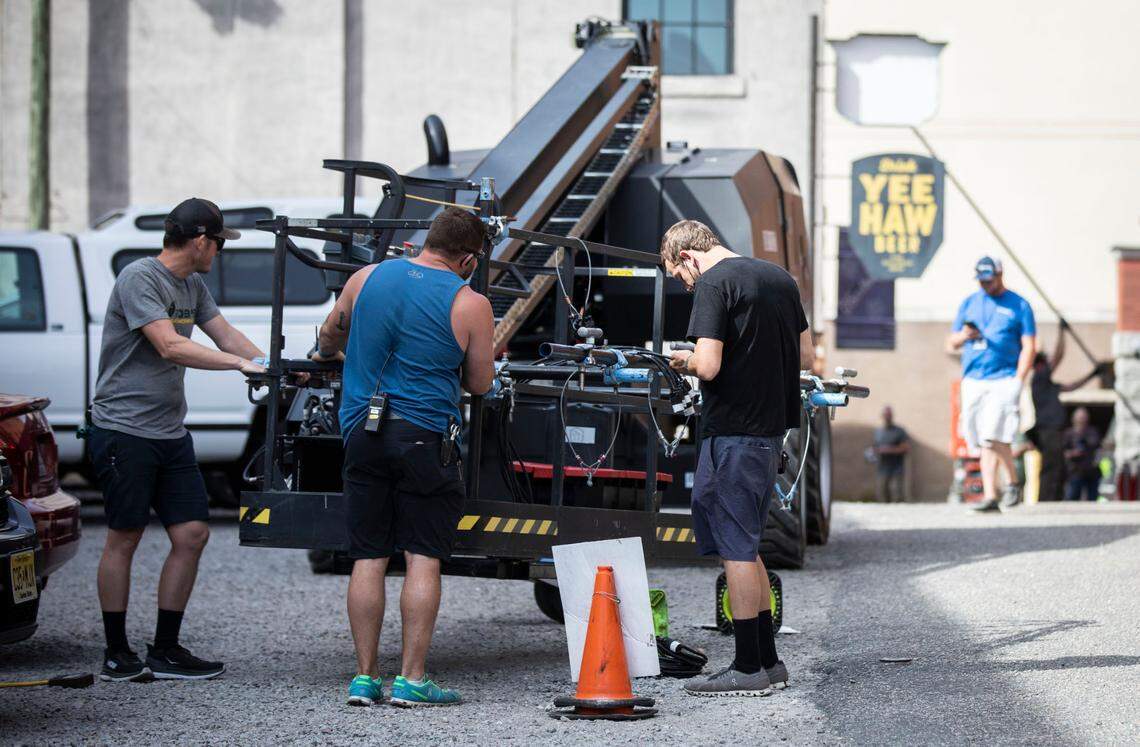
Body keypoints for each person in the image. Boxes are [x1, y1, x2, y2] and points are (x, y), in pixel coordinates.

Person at [311, 207, 494, 707]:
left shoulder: (366, 277)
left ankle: (365, 678)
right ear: (469, 259)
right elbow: (480, 383)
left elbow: (329, 336)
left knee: (368, 555)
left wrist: (340, 351)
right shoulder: (469, 301)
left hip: (361, 433)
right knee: (421, 556)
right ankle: (412, 679)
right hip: (425, 438)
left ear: (424, 240)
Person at [90, 198, 266, 681]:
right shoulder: (139, 278)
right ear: (200, 240)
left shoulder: (192, 284)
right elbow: (169, 344)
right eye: (218, 244)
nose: (219, 253)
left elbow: (224, 335)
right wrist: (238, 365)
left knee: (192, 534)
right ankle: (115, 650)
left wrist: (274, 368)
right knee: (124, 538)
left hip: (169, 431)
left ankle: (165, 649)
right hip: (124, 430)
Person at [662, 220, 813, 697]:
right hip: (770, 433)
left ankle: (747, 668)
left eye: (680, 277)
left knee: (736, 550)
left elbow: (708, 365)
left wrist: (679, 359)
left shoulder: (713, 281)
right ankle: (768, 661)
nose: (687, 288)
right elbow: (802, 353)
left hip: (734, 435)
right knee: (747, 546)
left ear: (687, 257)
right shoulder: (778, 277)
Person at [945, 256, 1036, 512]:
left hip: (1004, 378)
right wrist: (964, 335)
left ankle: (1009, 485)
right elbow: (949, 343)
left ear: (999, 274)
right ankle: (995, 494)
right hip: (973, 378)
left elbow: (1029, 346)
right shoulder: (970, 303)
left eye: (989, 280)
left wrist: (1020, 378)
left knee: (992, 433)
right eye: (981, 281)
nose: (985, 285)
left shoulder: (1019, 305)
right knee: (980, 438)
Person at [1028, 324, 1103, 501]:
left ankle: (1052, 499)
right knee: (1051, 467)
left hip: (1053, 431)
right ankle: (1046, 500)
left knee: (1057, 467)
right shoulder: (1039, 378)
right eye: (1045, 363)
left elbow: (1071, 386)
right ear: (1040, 365)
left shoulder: (1047, 385)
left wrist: (1092, 375)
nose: (1048, 365)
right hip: (1047, 430)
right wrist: (1062, 332)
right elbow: (1059, 356)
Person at [1063, 407, 1101, 501]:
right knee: (1072, 498)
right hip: (1075, 471)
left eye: (1083, 417)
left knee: (1092, 499)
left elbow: (1097, 446)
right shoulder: (1069, 434)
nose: (1081, 419)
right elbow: (1062, 452)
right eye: (1079, 417)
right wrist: (1072, 453)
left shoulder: (1092, 432)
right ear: (1074, 418)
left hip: (1091, 471)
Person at [873, 406, 909, 503]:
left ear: (892, 416)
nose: (887, 417)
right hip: (882, 467)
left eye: (889, 415)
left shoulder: (899, 431)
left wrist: (888, 450)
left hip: (896, 467)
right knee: (882, 492)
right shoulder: (878, 432)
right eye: (885, 415)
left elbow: (905, 447)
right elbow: (875, 447)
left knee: (897, 493)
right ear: (882, 416)